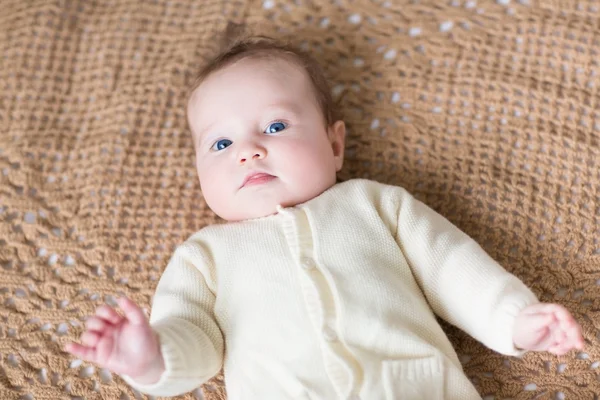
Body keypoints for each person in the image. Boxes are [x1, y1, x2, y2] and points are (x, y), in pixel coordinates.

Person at [65, 33, 585, 399]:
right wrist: (151, 357)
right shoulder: (206, 255)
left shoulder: (375, 206)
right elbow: (193, 336)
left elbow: (449, 266)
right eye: (221, 143)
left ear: (335, 144)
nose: (247, 150)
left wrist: (513, 318)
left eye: (274, 126)